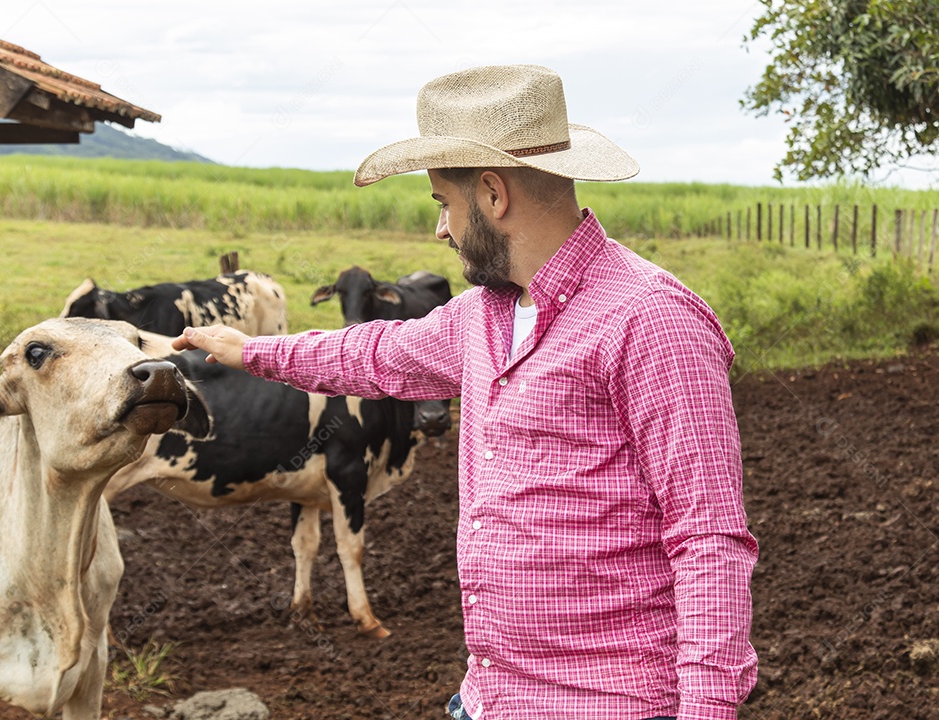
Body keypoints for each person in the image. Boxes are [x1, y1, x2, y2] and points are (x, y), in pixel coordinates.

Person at [175, 64, 758, 720]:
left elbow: (708, 538)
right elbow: (375, 354)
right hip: (488, 698)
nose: (440, 230)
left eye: (442, 204)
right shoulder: (485, 314)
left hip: (610, 704)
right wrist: (250, 351)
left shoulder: (652, 320)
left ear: (492, 194)